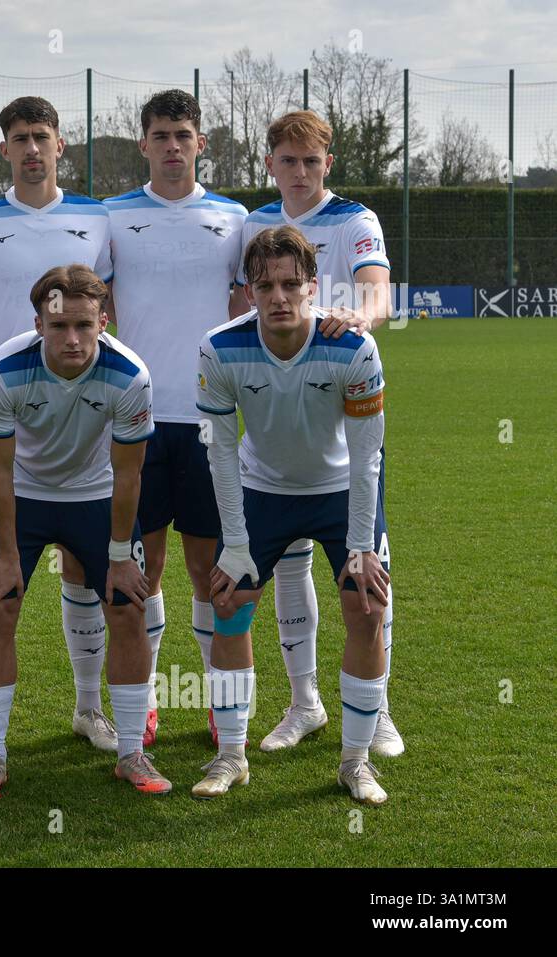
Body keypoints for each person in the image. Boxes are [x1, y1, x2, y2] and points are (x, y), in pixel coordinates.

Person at [0, 95, 118, 759]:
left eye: (42, 136)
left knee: (83, 572)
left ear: (61, 145)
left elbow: (114, 305)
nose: (32, 148)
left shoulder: (96, 218)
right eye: (20, 138)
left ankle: (92, 708)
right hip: (5, 423)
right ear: (4, 150)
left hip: (86, 422)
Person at [196, 225, 391, 805]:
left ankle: (355, 762)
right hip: (264, 490)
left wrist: (360, 544)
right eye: (265, 285)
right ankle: (232, 753)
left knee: (365, 604)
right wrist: (234, 543)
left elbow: (366, 455)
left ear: (312, 285)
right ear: (249, 290)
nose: (278, 297)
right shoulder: (220, 347)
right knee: (228, 603)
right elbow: (221, 454)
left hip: (338, 489)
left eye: (290, 284)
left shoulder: (353, 347)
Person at [235, 110, 402, 757]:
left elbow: (379, 294)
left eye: (311, 161)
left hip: (346, 409)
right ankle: (304, 702)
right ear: (270, 162)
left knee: (369, 570)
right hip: (274, 414)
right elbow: (234, 304)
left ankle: (377, 707)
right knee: (288, 565)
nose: (299, 172)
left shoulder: (355, 220)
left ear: (326, 164)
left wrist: (353, 318)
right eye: (288, 159)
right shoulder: (253, 224)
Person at [0, 264, 162, 801]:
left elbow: (129, 473)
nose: (71, 339)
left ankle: (130, 754)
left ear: (103, 321)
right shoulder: (4, 368)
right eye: (58, 326)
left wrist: (120, 556)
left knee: (127, 605)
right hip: (22, 492)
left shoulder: (131, 375)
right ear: (38, 323)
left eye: (83, 325)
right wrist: (6, 555)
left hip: (95, 493)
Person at [104, 89, 248, 747]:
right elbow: (94, 304)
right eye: (159, 134)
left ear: (201, 143)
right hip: (134, 420)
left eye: (182, 134)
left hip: (210, 420)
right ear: (143, 143)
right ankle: (147, 705)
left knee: (211, 571)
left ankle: (222, 708)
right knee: (143, 568)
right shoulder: (112, 216)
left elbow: (248, 307)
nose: (171, 145)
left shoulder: (232, 217)